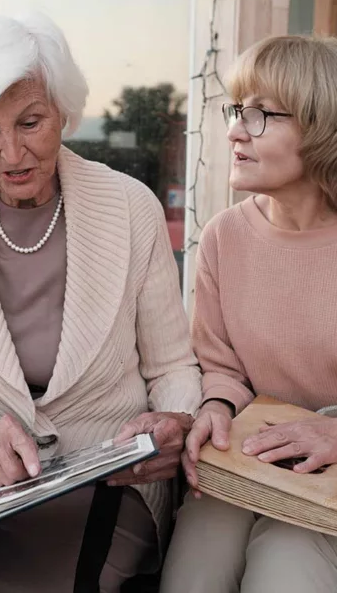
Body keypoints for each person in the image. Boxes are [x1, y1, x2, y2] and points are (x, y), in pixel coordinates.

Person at [0, 12, 201, 592]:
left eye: (30, 122)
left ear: (63, 110)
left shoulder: (130, 207)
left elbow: (172, 367)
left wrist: (176, 421)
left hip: (111, 486)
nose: (12, 153)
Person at [160, 35, 337, 593]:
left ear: (320, 127)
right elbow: (221, 365)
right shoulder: (223, 238)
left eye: (261, 114)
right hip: (247, 461)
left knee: (285, 570)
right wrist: (214, 404)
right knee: (193, 573)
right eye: (237, 109)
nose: (235, 129)